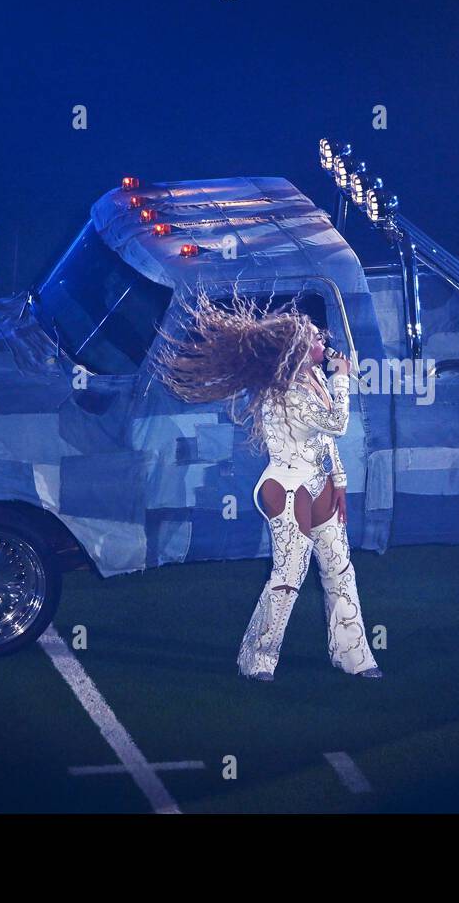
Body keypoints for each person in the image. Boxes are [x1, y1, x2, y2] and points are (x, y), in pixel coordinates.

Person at [151, 290, 382, 682]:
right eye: (315, 337)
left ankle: (354, 656)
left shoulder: (311, 379)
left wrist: (339, 481)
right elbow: (336, 424)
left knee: (340, 569)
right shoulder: (287, 390)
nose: (324, 342)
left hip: (319, 481)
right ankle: (257, 658)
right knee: (288, 577)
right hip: (287, 486)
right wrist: (343, 381)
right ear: (296, 348)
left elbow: (326, 441)